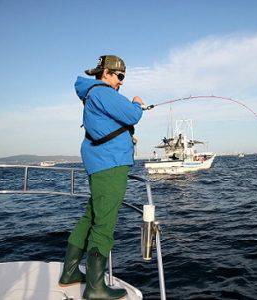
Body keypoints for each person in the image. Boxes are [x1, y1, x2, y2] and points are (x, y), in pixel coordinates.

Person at [59, 55, 144, 299]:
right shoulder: (103, 91)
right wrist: (137, 103)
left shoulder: (93, 93)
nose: (120, 82)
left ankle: (70, 273)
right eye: (119, 76)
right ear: (106, 73)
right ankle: (95, 288)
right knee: (104, 223)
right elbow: (132, 115)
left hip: (101, 162)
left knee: (91, 216)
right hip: (110, 164)